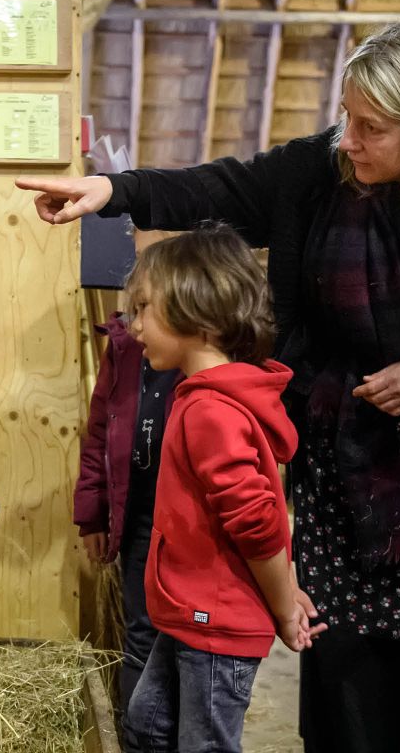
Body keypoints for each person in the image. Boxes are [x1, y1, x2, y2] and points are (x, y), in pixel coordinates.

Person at [21, 18, 400, 752]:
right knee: (349, 654)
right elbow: (221, 185)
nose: (348, 140)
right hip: (345, 460)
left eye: (370, 127)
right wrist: (111, 190)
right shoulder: (317, 176)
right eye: (346, 116)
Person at [115, 225, 323, 753]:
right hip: (190, 611)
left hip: (216, 624)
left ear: (199, 314)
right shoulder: (204, 396)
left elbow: (256, 521)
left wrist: (282, 605)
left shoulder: (210, 410)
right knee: (146, 726)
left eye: (143, 309)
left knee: (203, 743)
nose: (132, 326)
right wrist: (286, 583)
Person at [74, 227, 183, 726]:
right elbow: (100, 432)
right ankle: (135, 736)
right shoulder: (123, 346)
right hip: (140, 514)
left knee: (188, 637)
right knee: (142, 629)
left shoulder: (209, 356)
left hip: (190, 523)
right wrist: (93, 514)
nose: (136, 320)